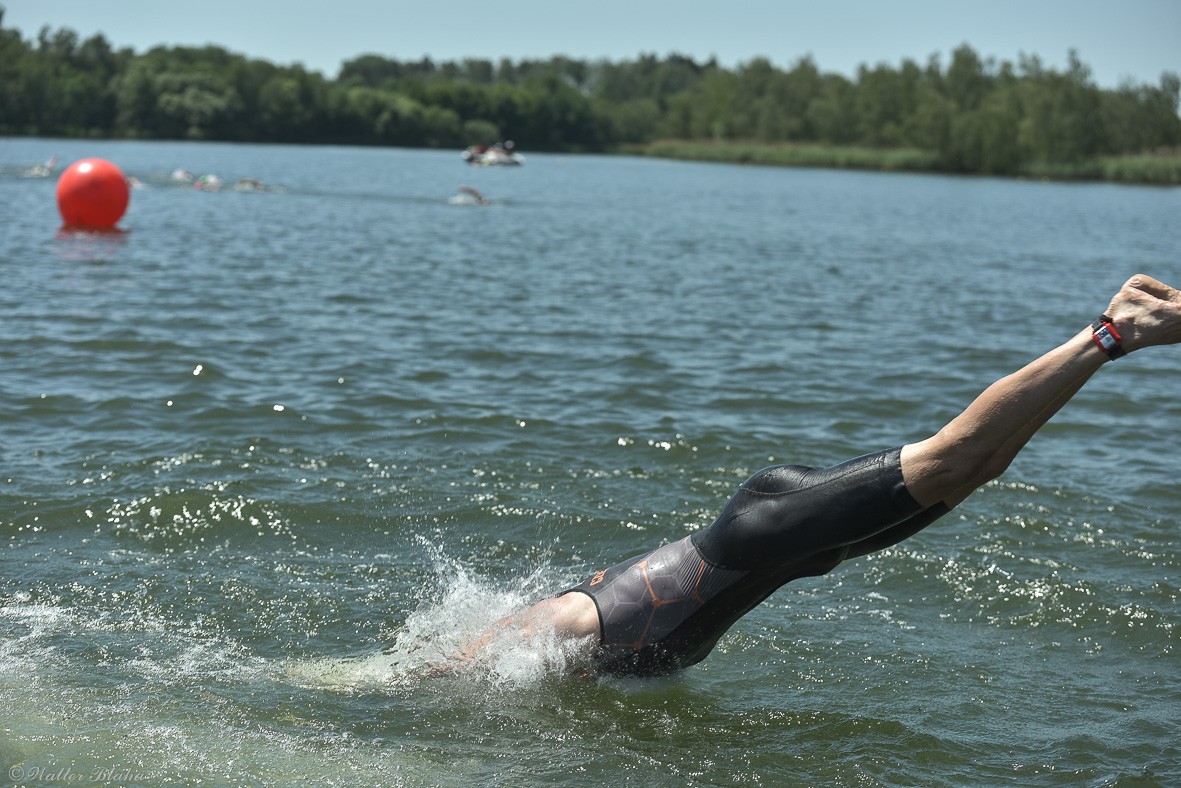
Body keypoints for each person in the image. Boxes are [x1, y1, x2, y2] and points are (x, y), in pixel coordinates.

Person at [448, 274, 1181, 677]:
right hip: (784, 557)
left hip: (760, 534)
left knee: (955, 455)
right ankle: (1121, 336)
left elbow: (487, 652)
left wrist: (433, 681)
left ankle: (1112, 329)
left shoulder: (565, 623)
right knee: (983, 467)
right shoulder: (596, 660)